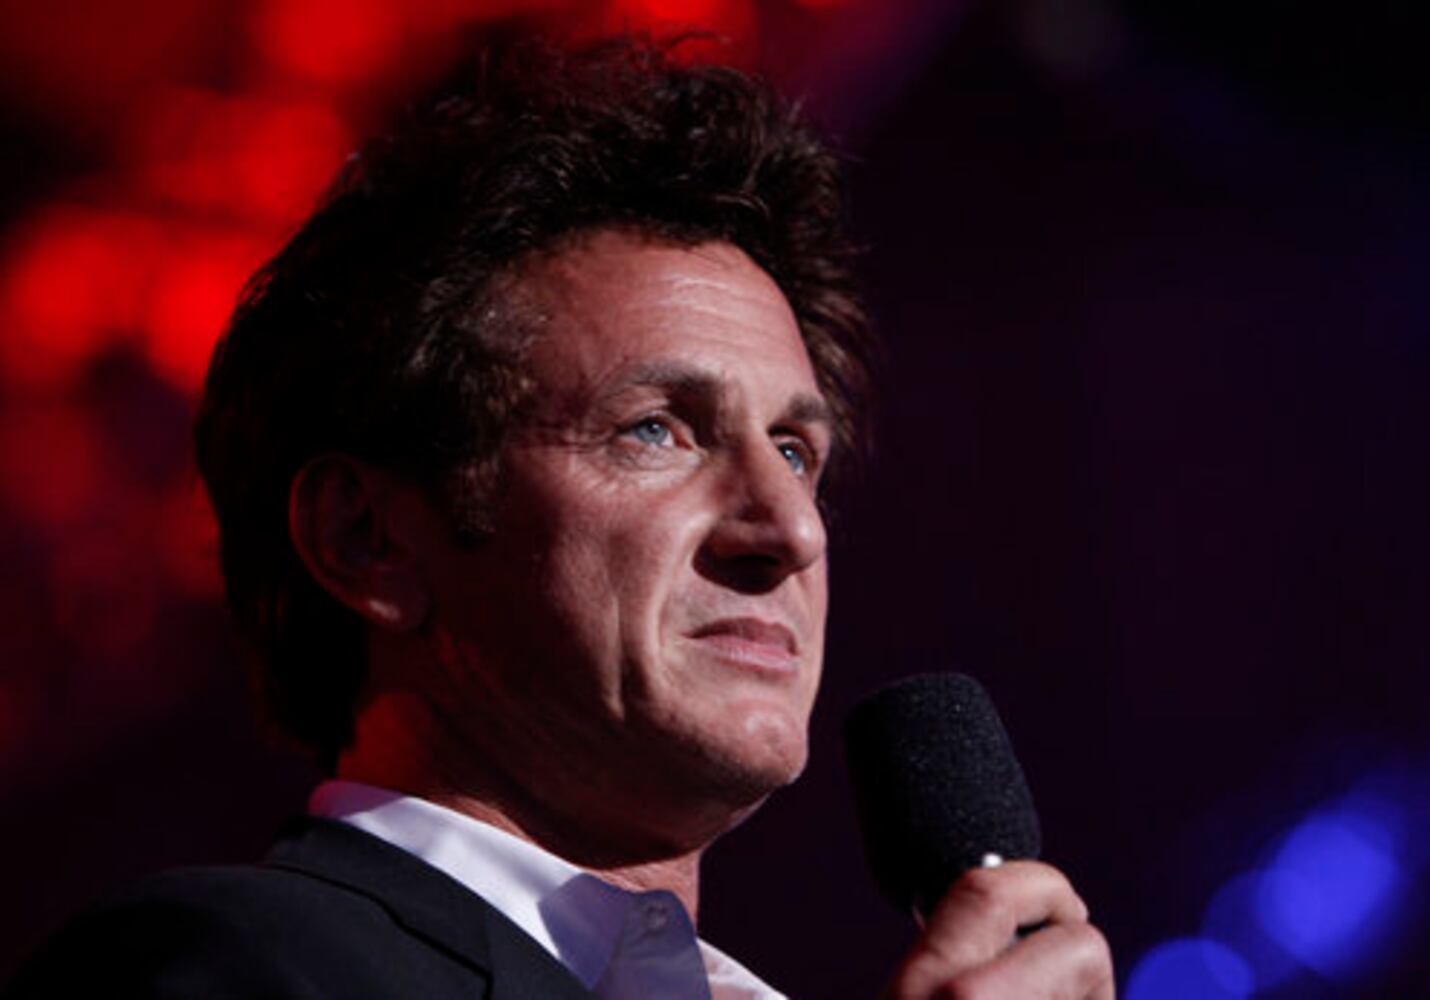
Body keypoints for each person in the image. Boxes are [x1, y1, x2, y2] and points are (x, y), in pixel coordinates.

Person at [6, 36, 1113, 999]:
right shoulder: (229, 964)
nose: (792, 532)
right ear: (368, 538)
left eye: (794, 451)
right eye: (655, 430)